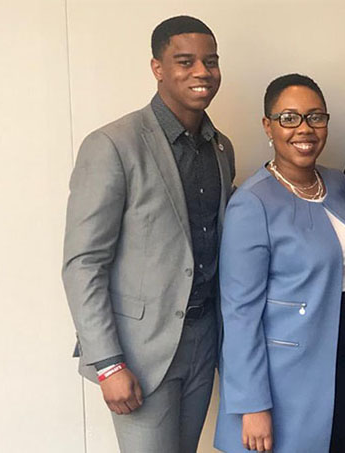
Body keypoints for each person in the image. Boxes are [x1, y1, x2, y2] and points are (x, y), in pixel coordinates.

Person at [62, 16, 235, 453]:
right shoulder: (113, 144)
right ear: (157, 67)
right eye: (185, 61)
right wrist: (107, 364)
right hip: (138, 352)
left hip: (203, 339)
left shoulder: (221, 147)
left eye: (210, 62)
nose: (202, 72)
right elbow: (83, 263)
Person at [214, 74, 345, 453]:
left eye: (315, 117)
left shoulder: (338, 185)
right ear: (268, 126)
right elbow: (239, 313)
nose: (304, 129)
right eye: (288, 118)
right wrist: (252, 404)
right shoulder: (252, 204)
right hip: (287, 379)